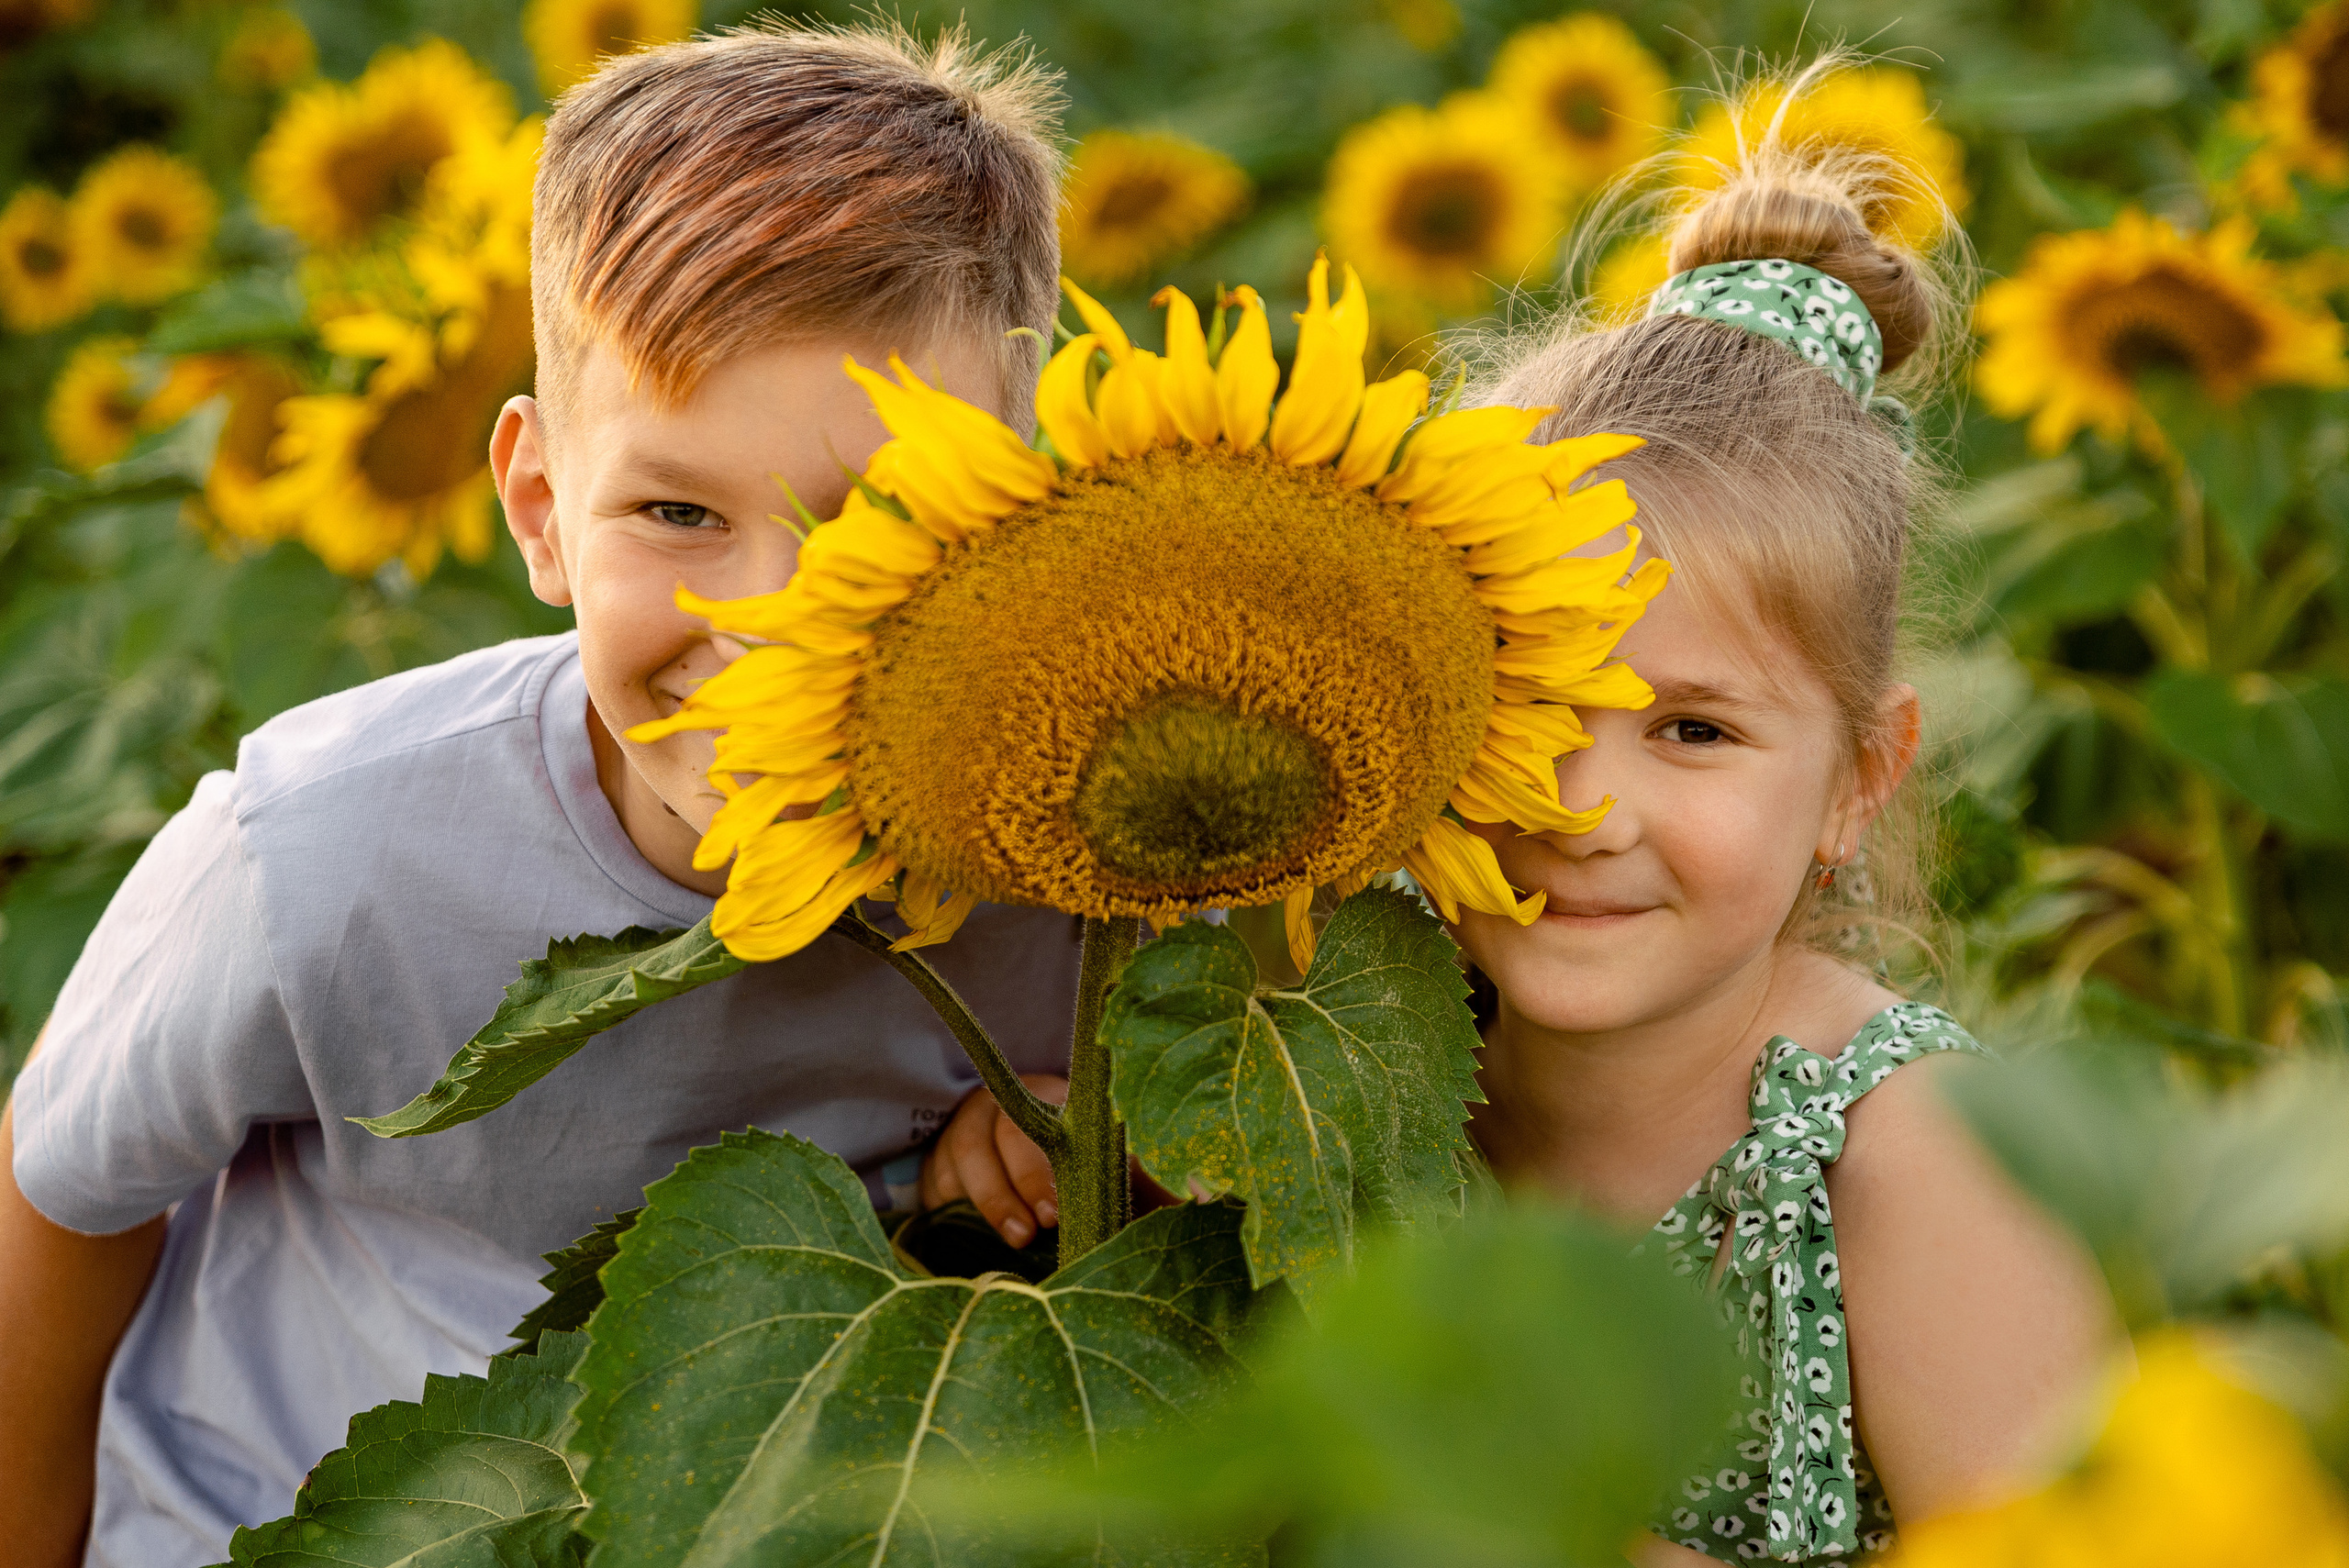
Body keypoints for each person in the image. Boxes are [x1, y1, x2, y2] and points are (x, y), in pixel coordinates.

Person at [0, 23, 1074, 1567]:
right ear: (540, 510)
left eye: (888, 520)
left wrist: (1095, 1136)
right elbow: (66, 1185)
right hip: (280, 1512)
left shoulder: (1090, 867)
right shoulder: (326, 849)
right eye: (678, 511)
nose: (772, 621)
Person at [1452, 63, 2116, 1566]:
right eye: (1525, 701)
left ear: (1857, 783)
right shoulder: (1360, 1079)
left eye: (1693, 728)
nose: (1578, 804)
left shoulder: (1906, 1150)